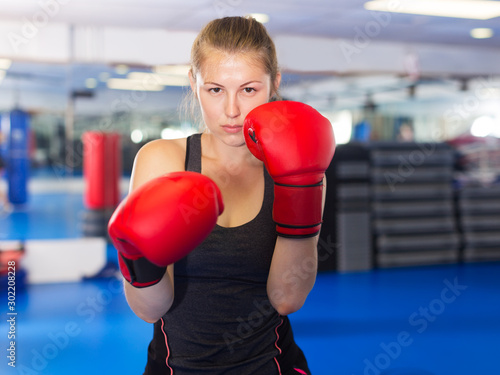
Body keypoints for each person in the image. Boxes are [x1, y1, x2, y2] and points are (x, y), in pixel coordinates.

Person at [108, 16, 335, 375]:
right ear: (193, 84)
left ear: (274, 84)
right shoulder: (163, 161)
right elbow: (150, 309)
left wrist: (301, 186)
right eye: (215, 90)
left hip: (271, 365)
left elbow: (287, 299)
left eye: (248, 90)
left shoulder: (299, 167)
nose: (232, 110)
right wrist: (138, 258)